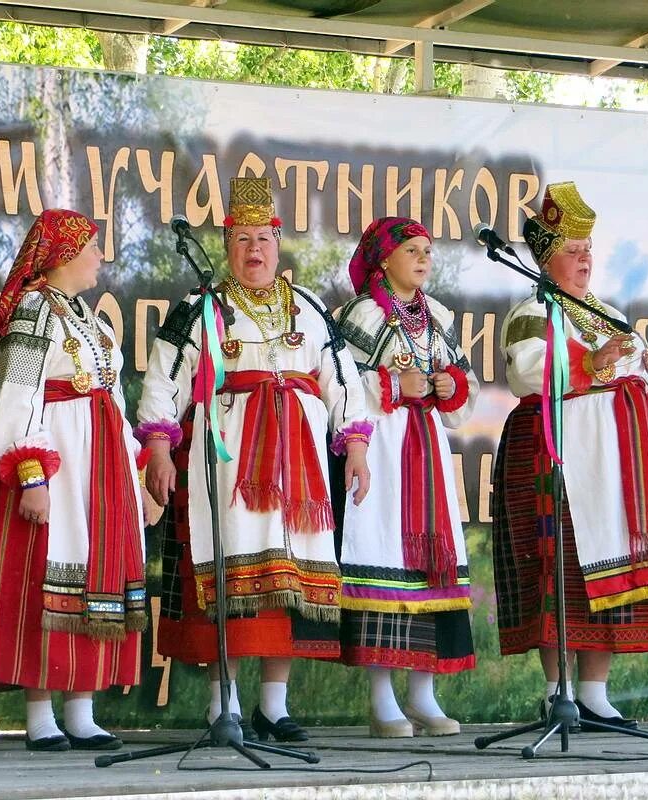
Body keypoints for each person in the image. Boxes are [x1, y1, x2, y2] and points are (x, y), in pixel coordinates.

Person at [137, 178, 372, 741]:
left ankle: (274, 706)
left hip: (300, 471)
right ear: (227, 245)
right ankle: (225, 706)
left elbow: (341, 383)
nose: (254, 250)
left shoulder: (311, 307)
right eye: (242, 239)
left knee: (284, 582)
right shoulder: (201, 308)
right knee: (230, 579)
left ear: (278, 240)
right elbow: (162, 379)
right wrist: (160, 448)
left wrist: (358, 448)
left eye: (262, 238)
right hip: (226, 467)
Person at [493, 182, 648, 726]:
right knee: (558, 569)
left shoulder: (607, 313)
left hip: (613, 464)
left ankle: (595, 693)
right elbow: (527, 371)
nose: (584, 259)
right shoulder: (533, 310)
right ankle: (557, 691)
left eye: (588, 250)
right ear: (545, 257)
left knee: (608, 567)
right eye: (571, 250)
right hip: (556, 453)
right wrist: (592, 363)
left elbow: (635, 375)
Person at [0, 209, 154, 752]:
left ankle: (82, 707)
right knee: (45, 573)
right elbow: (19, 396)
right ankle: (40, 714)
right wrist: (30, 473)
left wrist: (135, 473)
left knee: (96, 579)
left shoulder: (91, 320)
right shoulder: (35, 311)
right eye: (93, 248)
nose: (101, 258)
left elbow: (115, 404)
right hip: (56, 460)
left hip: (100, 466)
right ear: (64, 256)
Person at [334, 217, 478, 737]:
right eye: (411, 250)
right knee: (384, 556)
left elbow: (466, 388)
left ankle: (424, 694)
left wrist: (448, 384)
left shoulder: (436, 315)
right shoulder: (360, 315)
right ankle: (382, 699)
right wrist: (394, 384)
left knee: (431, 566)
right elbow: (340, 383)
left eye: (427, 251)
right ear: (383, 259)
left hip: (427, 450)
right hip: (380, 446)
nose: (422, 259)